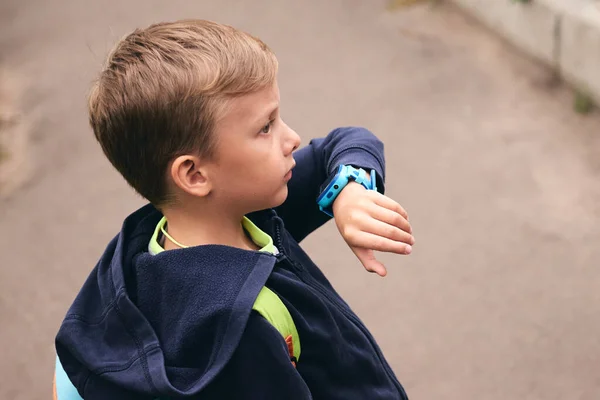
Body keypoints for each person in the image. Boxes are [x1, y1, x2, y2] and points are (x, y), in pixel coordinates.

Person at [55, 19, 415, 400]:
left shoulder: (230, 214)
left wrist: (351, 191)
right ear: (194, 174)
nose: (291, 139)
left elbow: (342, 144)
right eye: (266, 128)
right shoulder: (240, 333)